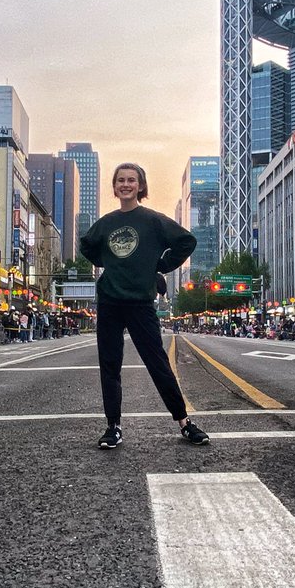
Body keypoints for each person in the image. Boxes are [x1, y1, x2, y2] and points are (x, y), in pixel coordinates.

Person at [79, 162, 209, 449]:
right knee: (109, 365)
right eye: (120, 180)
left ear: (140, 186)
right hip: (110, 302)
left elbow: (186, 241)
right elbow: (86, 245)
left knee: (158, 363)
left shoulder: (152, 220)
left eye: (131, 180)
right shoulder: (106, 223)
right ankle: (113, 426)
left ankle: (184, 422)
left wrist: (159, 265)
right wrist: (106, 262)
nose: (126, 184)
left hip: (140, 303)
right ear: (114, 187)